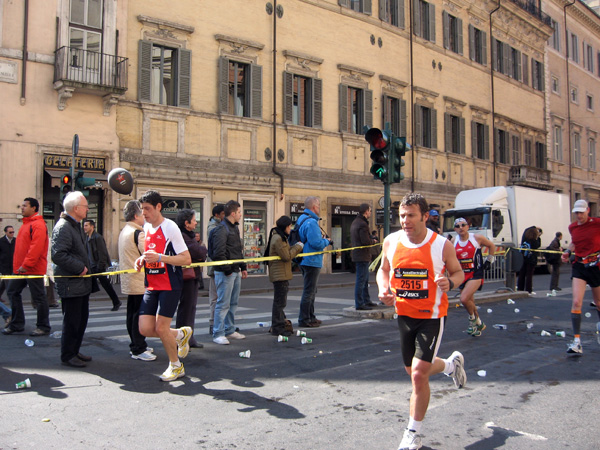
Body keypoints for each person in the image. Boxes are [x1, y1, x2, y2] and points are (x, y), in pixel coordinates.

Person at [376, 193, 466, 450]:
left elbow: (458, 272)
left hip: (432, 317)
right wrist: (383, 289)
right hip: (404, 315)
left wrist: (451, 282)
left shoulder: (441, 245)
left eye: (411, 215)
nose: (405, 220)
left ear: (425, 216)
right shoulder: (391, 241)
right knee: (412, 370)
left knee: (417, 374)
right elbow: (383, 270)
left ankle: (412, 433)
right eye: (402, 215)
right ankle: (450, 366)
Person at [134, 190, 192, 381]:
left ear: (159, 207)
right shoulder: (147, 228)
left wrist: (160, 258)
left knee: (161, 328)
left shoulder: (170, 228)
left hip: (169, 284)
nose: (144, 214)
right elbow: (152, 253)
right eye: (142, 210)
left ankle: (176, 366)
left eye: (148, 209)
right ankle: (180, 334)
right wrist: (142, 260)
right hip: (151, 284)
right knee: (144, 329)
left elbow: (186, 259)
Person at [52, 191, 93, 367]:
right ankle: (68, 354)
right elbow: (58, 255)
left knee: (81, 319)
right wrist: (79, 267)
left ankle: (74, 351)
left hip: (79, 283)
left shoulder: (74, 225)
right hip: (71, 283)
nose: (87, 209)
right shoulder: (64, 227)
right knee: (72, 321)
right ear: (76, 208)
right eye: (85, 206)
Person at [2, 198, 51, 337]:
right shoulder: (27, 224)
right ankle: (17, 324)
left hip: (31, 268)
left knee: (39, 297)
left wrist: (26, 264)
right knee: (12, 291)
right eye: (22, 205)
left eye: (25, 206)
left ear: (34, 208)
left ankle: (43, 326)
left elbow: (36, 247)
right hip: (21, 268)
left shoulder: (38, 225)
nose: (21, 207)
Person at [117, 200, 156, 362]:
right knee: (139, 316)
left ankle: (137, 344)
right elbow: (148, 254)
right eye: (142, 212)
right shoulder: (137, 233)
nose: (144, 216)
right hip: (139, 280)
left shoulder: (125, 231)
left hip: (129, 280)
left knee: (132, 314)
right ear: (136, 215)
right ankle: (138, 348)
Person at [561, 200, 600, 355]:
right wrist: (567, 251)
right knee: (576, 302)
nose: (579, 215)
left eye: (581, 212)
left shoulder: (597, 224)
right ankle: (577, 341)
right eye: (576, 212)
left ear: (588, 211)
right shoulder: (573, 227)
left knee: (598, 303)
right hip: (580, 266)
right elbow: (574, 243)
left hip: (596, 267)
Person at [210, 200, 248, 345]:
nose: (240, 215)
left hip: (234, 270)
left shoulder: (234, 228)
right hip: (226, 272)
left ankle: (229, 329)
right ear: (233, 213)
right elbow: (218, 252)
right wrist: (227, 270)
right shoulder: (222, 229)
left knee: (232, 302)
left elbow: (237, 250)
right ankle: (218, 333)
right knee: (223, 303)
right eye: (239, 212)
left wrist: (242, 267)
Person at [452, 217, 496, 337]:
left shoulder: (476, 238)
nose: (460, 228)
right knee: (469, 302)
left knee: (464, 299)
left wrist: (489, 260)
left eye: (463, 225)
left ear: (468, 226)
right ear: (455, 229)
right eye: (457, 226)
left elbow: (492, 246)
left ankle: (472, 321)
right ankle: (479, 324)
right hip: (462, 275)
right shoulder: (454, 242)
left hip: (475, 274)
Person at [296, 196, 333, 328]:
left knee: (311, 290)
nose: (319, 208)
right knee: (309, 291)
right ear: (313, 207)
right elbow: (316, 243)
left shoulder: (301, 219)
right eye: (318, 205)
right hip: (311, 260)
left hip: (304, 259)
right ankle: (305, 318)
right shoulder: (311, 222)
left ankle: (310, 316)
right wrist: (327, 241)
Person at [265, 215, 304, 336]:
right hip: (280, 275)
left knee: (280, 302)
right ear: (285, 226)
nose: (291, 229)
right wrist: (298, 247)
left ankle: (280, 324)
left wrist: (295, 246)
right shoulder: (278, 239)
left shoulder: (280, 237)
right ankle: (278, 327)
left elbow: (286, 251)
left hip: (280, 273)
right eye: (289, 226)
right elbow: (286, 256)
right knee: (279, 303)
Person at [175, 209, 206, 349]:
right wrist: (202, 250)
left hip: (193, 275)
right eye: (194, 220)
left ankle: (189, 337)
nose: (196, 222)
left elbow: (200, 253)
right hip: (187, 276)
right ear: (186, 223)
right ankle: (182, 338)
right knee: (186, 308)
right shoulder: (183, 236)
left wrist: (201, 252)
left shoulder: (189, 235)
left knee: (191, 308)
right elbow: (198, 251)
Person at [83, 219, 122, 311]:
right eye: (84, 225)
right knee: (88, 284)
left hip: (97, 266)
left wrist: (100, 266)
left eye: (86, 225)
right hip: (91, 266)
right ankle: (116, 301)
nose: (84, 227)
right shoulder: (87, 238)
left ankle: (116, 301)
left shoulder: (97, 237)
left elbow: (102, 253)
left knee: (106, 285)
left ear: (92, 226)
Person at [351, 204, 376, 310]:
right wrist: (373, 241)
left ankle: (366, 300)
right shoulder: (362, 224)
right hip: (362, 255)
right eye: (370, 211)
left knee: (364, 279)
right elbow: (365, 241)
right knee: (361, 280)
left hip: (359, 254)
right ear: (366, 212)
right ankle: (360, 303)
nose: (370, 213)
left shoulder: (356, 222)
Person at [206, 204, 225, 334]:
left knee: (220, 297)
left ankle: (220, 324)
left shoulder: (218, 226)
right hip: (215, 267)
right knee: (215, 297)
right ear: (217, 215)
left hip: (217, 266)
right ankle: (213, 324)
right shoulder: (214, 228)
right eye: (223, 214)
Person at [517, 225, 541, 294]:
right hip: (531, 258)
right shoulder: (534, 240)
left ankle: (520, 288)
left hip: (524, 257)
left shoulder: (525, 238)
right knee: (529, 275)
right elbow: (538, 245)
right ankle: (528, 289)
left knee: (522, 273)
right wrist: (538, 237)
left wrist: (533, 227)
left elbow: (526, 230)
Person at [0, 225, 15, 304]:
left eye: (13, 232)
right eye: (10, 232)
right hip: (4, 266)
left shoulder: (16, 241)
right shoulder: (1, 241)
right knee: (8, 284)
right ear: (5, 232)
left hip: (13, 265)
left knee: (4, 284)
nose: (12, 234)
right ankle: (11, 300)